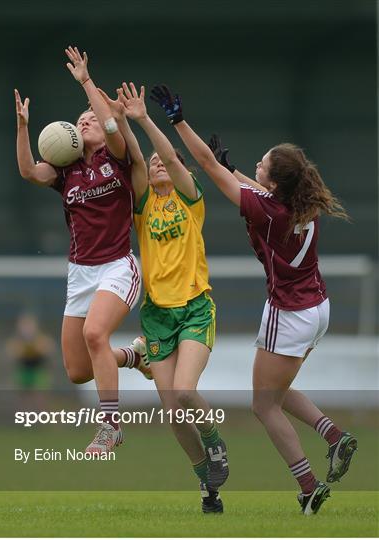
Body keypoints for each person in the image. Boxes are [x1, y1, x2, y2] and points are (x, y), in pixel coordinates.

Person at [149, 85, 358, 515]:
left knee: (262, 405)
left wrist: (178, 121)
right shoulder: (302, 203)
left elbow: (204, 164)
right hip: (318, 306)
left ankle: (308, 485)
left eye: (262, 163)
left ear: (275, 181)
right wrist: (237, 171)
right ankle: (333, 436)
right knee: (277, 391)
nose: (256, 164)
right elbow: (256, 192)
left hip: (290, 310)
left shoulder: (266, 212)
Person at [14, 46, 152, 456]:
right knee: (76, 371)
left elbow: (111, 122)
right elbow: (26, 171)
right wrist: (23, 127)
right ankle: (134, 355)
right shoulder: (66, 171)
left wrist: (87, 82)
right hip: (80, 273)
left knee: (95, 333)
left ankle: (110, 427)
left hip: (117, 267)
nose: (86, 120)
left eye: (89, 116)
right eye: (80, 119)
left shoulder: (117, 157)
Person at [99, 81, 228, 513]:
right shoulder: (142, 207)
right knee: (173, 413)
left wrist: (145, 118)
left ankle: (216, 446)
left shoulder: (190, 200)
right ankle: (208, 487)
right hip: (157, 316)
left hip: (194, 308)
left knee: (187, 394)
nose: (158, 165)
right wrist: (119, 118)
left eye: (165, 164)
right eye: (153, 164)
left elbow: (169, 155)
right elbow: (135, 156)